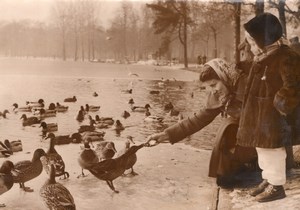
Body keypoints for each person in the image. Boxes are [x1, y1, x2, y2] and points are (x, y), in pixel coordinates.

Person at [146, 58, 257, 187]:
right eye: (209, 87)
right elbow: (197, 120)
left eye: (214, 84)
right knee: (225, 179)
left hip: (263, 136)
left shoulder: (249, 87)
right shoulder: (219, 95)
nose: (213, 90)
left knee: (229, 127)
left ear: (224, 77)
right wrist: (165, 135)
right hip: (244, 135)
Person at [237, 13, 300, 202]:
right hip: (260, 114)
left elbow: (293, 85)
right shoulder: (265, 56)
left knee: (273, 149)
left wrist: (280, 105)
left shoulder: (286, 57)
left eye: (252, 42)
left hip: (273, 115)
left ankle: (277, 185)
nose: (249, 46)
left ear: (263, 41)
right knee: (262, 147)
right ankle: (268, 178)